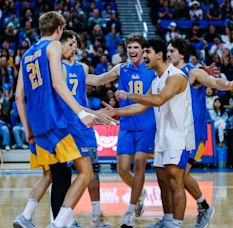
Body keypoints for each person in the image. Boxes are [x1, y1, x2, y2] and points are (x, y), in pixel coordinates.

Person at [14, 11, 106, 228]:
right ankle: (59, 224)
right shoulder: (53, 46)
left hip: (38, 126)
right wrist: (81, 112)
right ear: (59, 29)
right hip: (56, 120)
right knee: (86, 172)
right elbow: (58, 83)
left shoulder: (26, 54)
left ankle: (53, 221)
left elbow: (19, 96)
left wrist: (28, 129)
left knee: (59, 177)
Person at [105, 38, 194, 228]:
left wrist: (128, 95)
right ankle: (168, 219)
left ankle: (176, 224)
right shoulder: (157, 80)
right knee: (162, 180)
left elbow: (159, 99)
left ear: (159, 55)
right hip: (163, 136)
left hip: (178, 136)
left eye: (147, 51)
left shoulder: (176, 76)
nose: (144, 55)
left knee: (175, 181)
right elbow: (141, 106)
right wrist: (117, 112)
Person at [165, 38, 233, 227]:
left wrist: (227, 85)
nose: (168, 54)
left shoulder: (194, 71)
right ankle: (203, 207)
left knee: (177, 177)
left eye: (172, 51)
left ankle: (177, 219)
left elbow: (213, 81)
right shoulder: (169, 74)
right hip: (176, 134)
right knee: (176, 176)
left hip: (194, 136)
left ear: (182, 54)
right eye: (167, 51)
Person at [86, 33, 155, 226]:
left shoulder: (152, 68)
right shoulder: (121, 68)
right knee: (123, 170)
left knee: (140, 164)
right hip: (126, 125)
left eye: (136, 47)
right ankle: (140, 193)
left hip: (147, 125)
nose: (132, 51)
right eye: (130, 48)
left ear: (143, 50)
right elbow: (98, 80)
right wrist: (71, 72)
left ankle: (129, 212)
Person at [61, 30, 111, 227]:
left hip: (84, 125)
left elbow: (97, 80)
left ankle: (96, 215)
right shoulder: (56, 67)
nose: (75, 47)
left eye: (76, 43)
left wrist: (118, 70)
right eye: (71, 43)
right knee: (65, 174)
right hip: (65, 124)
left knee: (93, 172)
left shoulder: (82, 67)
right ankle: (65, 216)